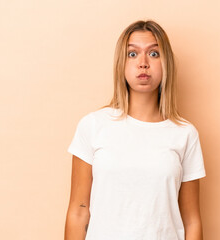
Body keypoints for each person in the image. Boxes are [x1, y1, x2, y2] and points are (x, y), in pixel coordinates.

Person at [64, 19, 206, 240]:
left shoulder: (185, 134)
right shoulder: (93, 126)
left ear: (166, 63)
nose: (143, 63)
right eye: (132, 54)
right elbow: (79, 211)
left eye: (154, 54)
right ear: (121, 63)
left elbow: (192, 221)